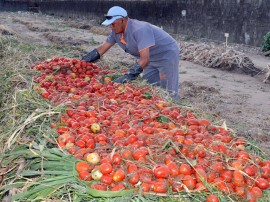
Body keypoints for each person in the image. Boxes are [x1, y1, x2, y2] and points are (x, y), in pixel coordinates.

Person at [82, 6, 180, 99]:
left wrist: (127, 77)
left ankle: (175, 106)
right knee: (151, 85)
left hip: (165, 53)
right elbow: (102, 49)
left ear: (122, 20)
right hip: (149, 56)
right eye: (109, 24)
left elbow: (144, 60)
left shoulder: (140, 29)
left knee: (168, 88)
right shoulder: (116, 32)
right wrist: (82, 62)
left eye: (113, 24)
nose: (111, 27)